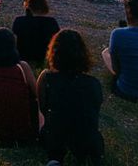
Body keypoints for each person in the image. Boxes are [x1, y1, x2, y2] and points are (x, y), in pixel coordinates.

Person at [38, 29, 104, 165]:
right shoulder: (93, 83)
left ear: (54, 54)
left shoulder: (47, 78)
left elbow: (42, 108)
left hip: (57, 141)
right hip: (89, 143)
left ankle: (55, 161)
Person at [11, 0, 60, 66]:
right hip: (44, 59)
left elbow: (13, 43)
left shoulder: (19, 21)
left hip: (22, 59)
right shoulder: (51, 23)